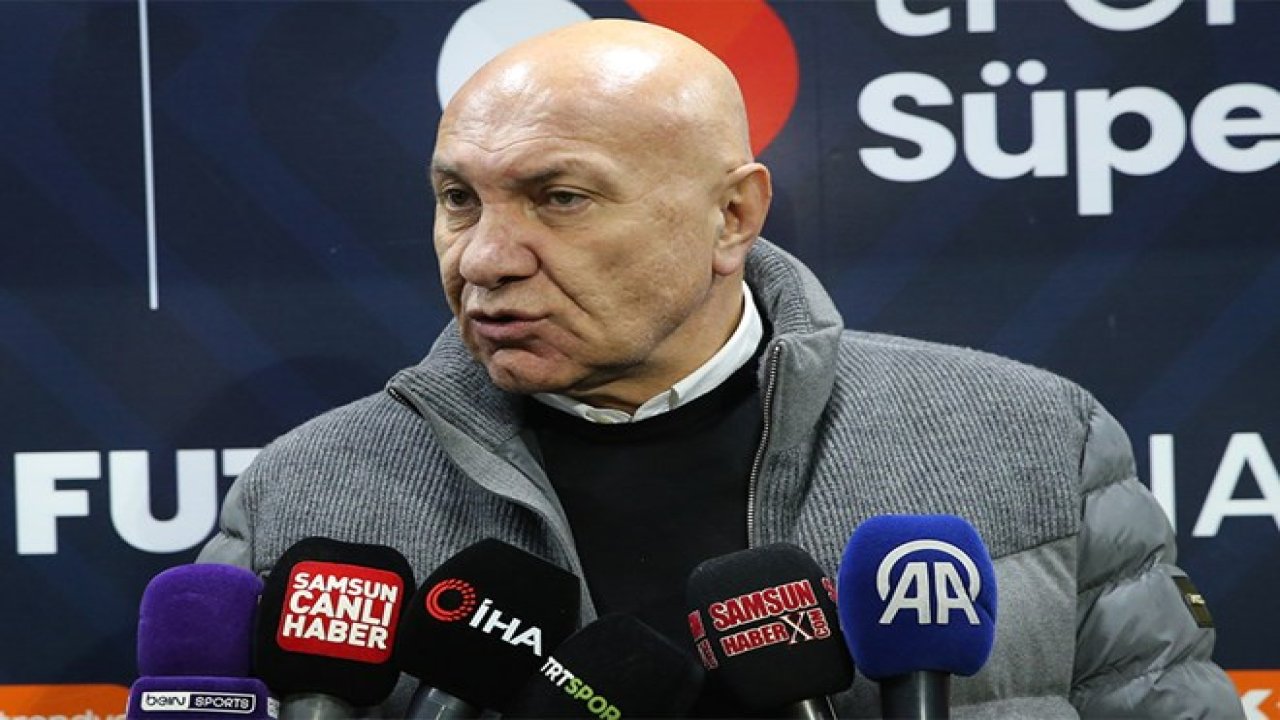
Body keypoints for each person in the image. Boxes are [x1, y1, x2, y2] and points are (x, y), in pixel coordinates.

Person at [199, 18, 1243, 718]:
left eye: (560, 198)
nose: (483, 258)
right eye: (458, 199)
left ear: (733, 214)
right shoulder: (304, 493)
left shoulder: (1030, 440)